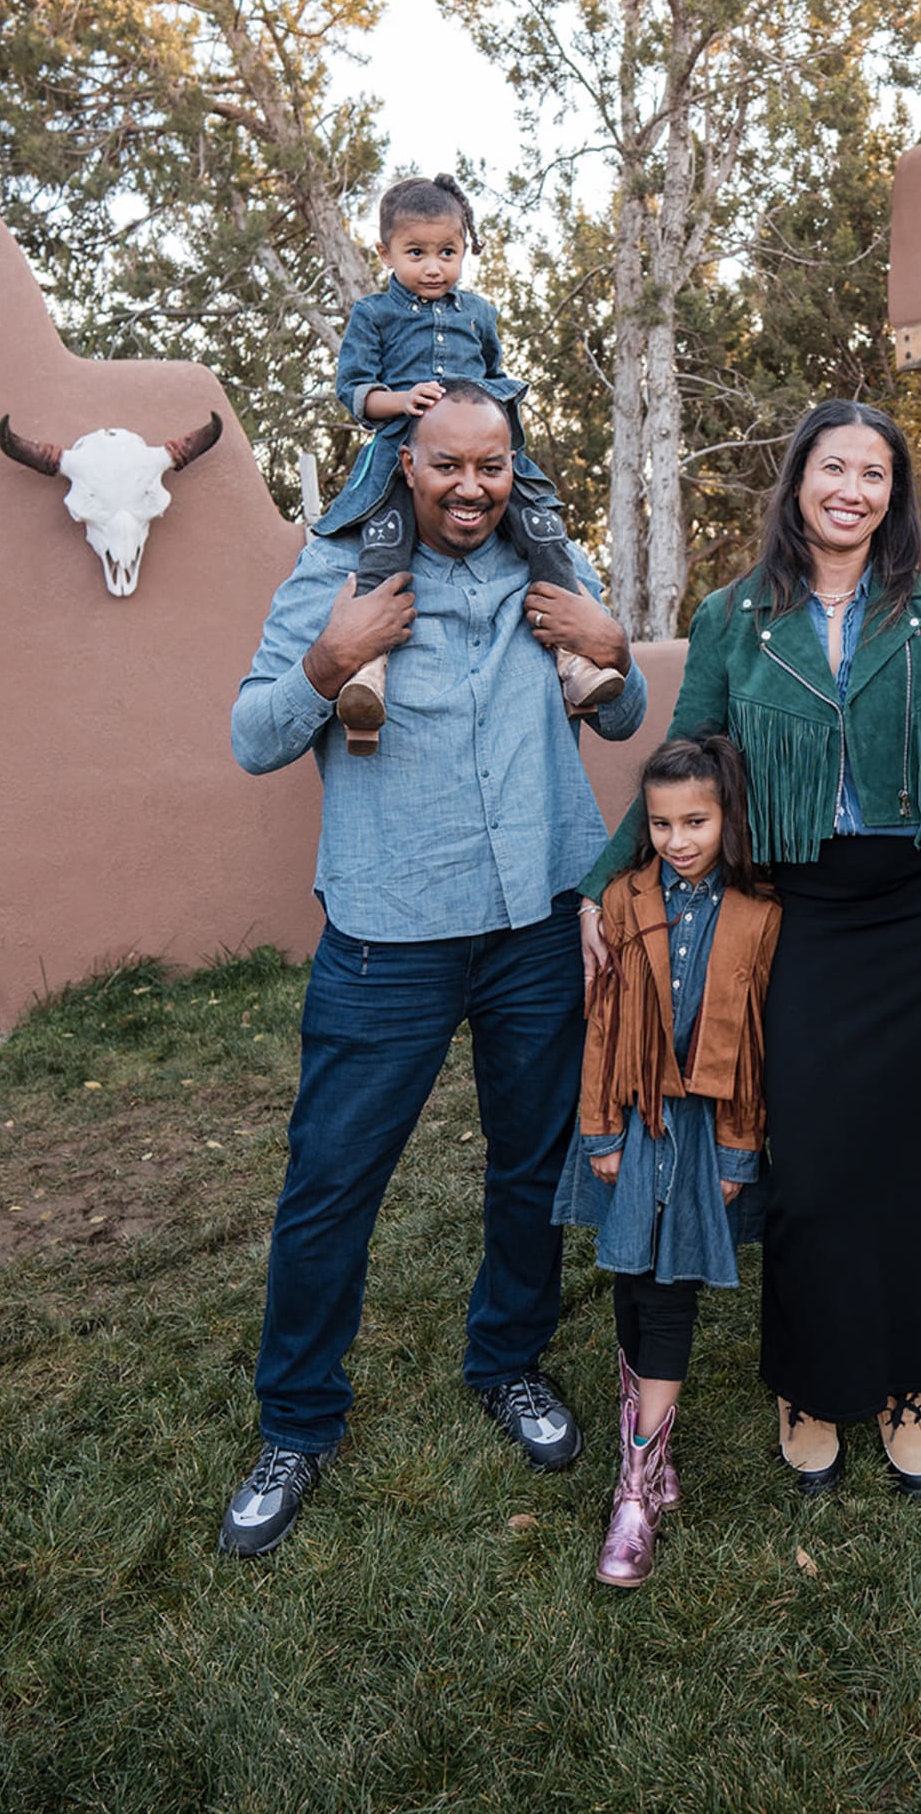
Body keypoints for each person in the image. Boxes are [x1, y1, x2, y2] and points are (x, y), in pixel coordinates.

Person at [579, 401, 921, 1502]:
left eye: (876, 472)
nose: (853, 487)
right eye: (833, 466)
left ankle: (907, 1383)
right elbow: (687, 761)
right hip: (795, 913)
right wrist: (607, 879)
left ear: (894, 494)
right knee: (807, 1161)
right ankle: (811, 1385)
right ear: (799, 480)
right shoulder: (736, 616)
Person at [218, 383, 646, 1557]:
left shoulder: (550, 559)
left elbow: (620, 709)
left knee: (532, 1165)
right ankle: (298, 1423)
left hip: (535, 925)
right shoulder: (340, 569)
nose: (472, 487)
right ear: (406, 463)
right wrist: (330, 660)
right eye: (448, 465)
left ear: (515, 467)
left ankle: (507, 1359)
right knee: (331, 1184)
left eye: (493, 466)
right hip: (386, 931)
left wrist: (613, 650)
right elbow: (254, 733)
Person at [552, 736, 781, 1589]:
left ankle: (636, 1487)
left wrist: (737, 1147)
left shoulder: (758, 914)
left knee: (670, 1288)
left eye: (697, 820)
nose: (679, 838)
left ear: (727, 816)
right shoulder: (622, 899)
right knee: (627, 1279)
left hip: (703, 1126)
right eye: (661, 822)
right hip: (633, 1117)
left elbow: (752, 1048)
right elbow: (603, 1026)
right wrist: (601, 1133)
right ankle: (653, 1441)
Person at [313, 172, 625, 753]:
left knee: (542, 531)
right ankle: (366, 674)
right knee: (384, 542)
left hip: (481, 448)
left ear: (465, 250)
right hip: (401, 448)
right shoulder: (374, 315)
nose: (433, 267)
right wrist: (401, 400)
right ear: (385, 253)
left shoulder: (479, 313)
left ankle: (575, 663)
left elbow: (494, 384)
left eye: (447, 253)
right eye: (416, 253)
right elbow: (354, 391)